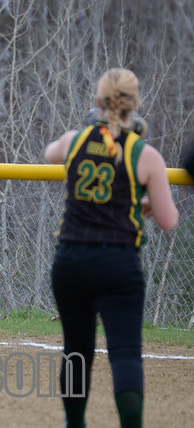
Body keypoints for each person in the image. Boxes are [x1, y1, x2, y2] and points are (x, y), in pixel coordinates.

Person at [44, 68, 178, 428]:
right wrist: (143, 202)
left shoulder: (74, 140)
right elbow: (168, 220)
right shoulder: (144, 154)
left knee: (76, 349)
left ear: (97, 101)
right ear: (136, 104)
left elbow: (50, 152)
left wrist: (91, 129)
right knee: (125, 353)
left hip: (70, 260)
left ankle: (74, 424)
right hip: (118, 261)